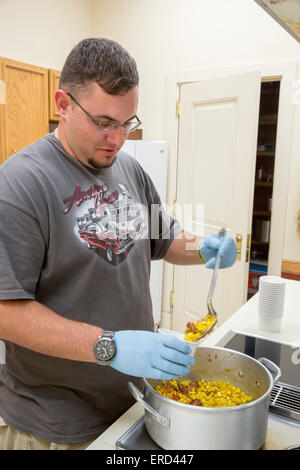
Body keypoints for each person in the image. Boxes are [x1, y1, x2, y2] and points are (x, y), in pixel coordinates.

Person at [0, 38, 237, 450]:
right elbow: (5, 311)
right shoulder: (20, 184)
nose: (118, 139)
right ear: (63, 103)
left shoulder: (128, 168)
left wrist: (201, 248)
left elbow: (162, 239)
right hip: (55, 424)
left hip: (132, 402)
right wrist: (107, 345)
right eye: (104, 122)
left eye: (127, 124)